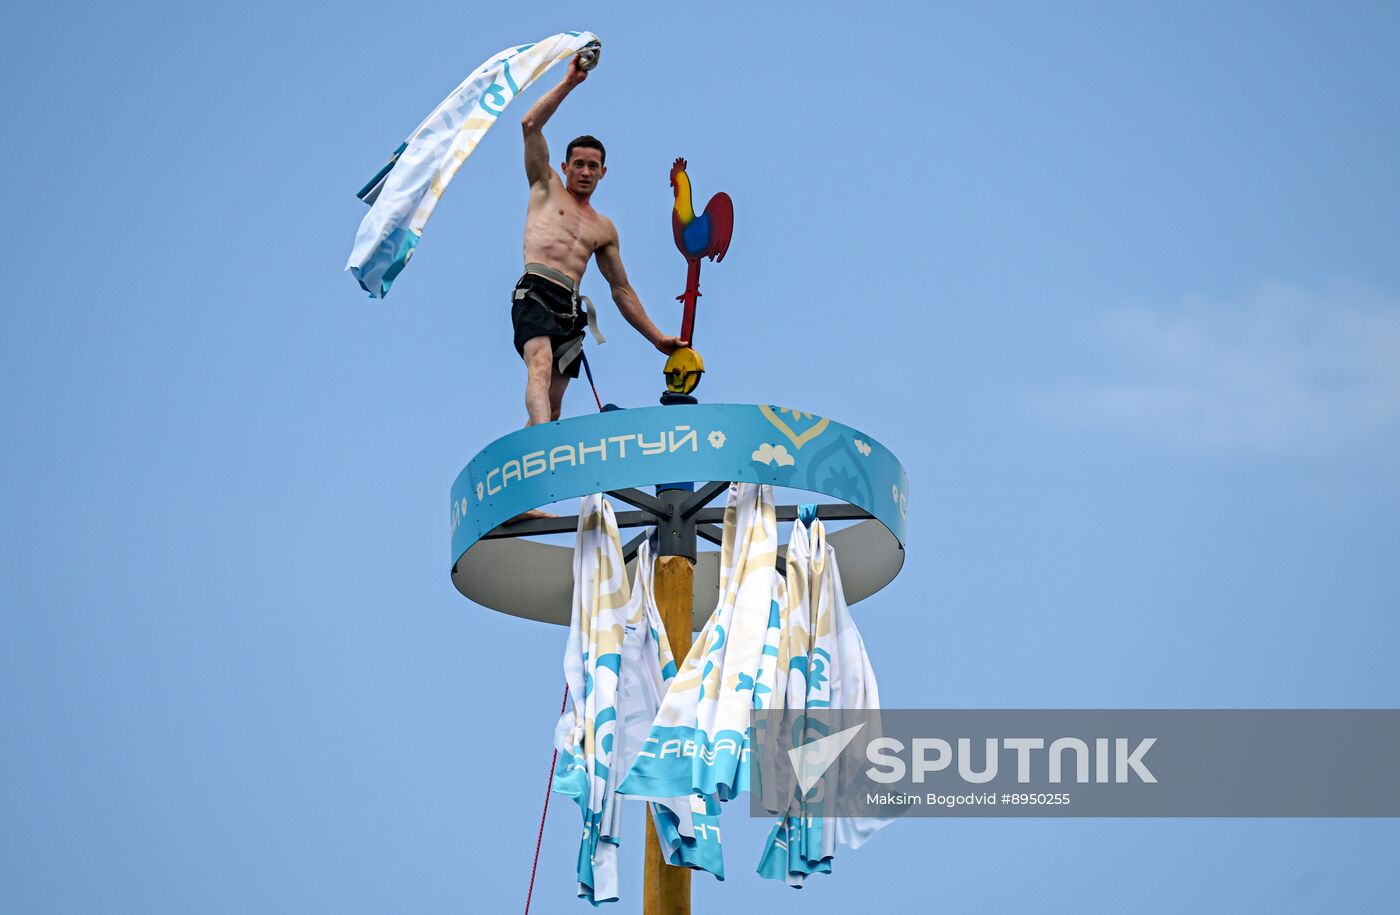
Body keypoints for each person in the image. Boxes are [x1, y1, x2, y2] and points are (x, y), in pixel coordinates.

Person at [514, 54, 683, 428]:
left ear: (603, 172)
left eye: (593, 166)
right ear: (564, 167)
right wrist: (570, 82)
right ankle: (543, 441)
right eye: (578, 164)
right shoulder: (545, 186)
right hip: (537, 290)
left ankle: (530, 452)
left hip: (570, 306)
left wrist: (657, 338)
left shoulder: (603, 228)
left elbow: (621, 290)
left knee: (553, 407)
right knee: (539, 364)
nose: (585, 172)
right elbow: (529, 125)